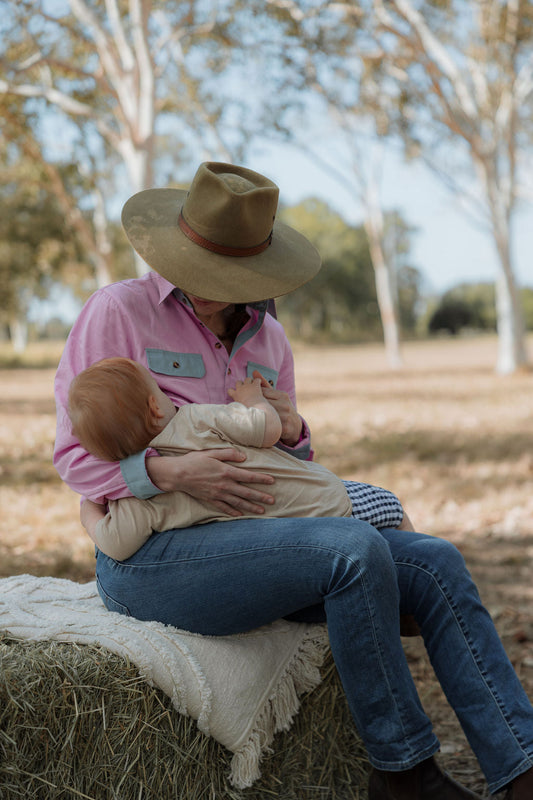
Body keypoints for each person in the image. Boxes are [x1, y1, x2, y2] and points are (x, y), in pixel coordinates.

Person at [54, 161, 533, 799]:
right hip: (157, 554)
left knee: (436, 562)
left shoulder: (268, 336)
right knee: (354, 549)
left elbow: (289, 472)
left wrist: (292, 428)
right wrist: (167, 469)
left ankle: (520, 766)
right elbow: (72, 458)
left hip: (267, 540)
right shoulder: (118, 312)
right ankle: (406, 774)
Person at [67, 356, 409, 561]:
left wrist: (89, 511)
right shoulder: (196, 419)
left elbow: (115, 544)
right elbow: (266, 428)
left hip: (276, 540)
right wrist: (252, 399)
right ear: (156, 405)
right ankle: (408, 602)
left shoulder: (139, 498)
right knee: (392, 507)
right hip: (322, 501)